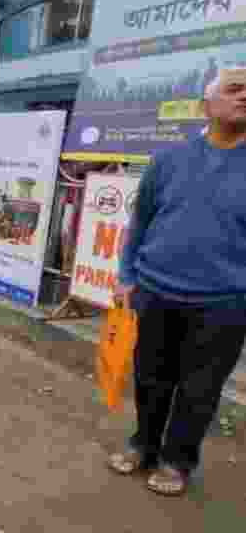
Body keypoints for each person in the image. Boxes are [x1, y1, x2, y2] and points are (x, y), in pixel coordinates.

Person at [109, 68, 246, 496]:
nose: (245, 96)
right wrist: (126, 276)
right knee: (150, 378)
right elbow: (141, 221)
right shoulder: (169, 160)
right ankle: (143, 445)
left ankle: (177, 461)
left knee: (200, 390)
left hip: (224, 302)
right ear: (209, 103)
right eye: (235, 88)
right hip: (154, 291)